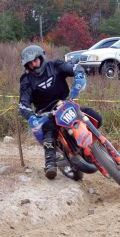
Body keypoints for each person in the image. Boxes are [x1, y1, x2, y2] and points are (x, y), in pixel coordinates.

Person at [19, 45, 102, 179]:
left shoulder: (55, 65)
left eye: (35, 60)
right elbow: (23, 103)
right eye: (29, 63)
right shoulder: (26, 80)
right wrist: (31, 117)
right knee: (48, 129)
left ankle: (95, 146)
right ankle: (51, 162)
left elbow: (74, 68)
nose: (33, 65)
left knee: (95, 116)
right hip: (46, 113)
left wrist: (79, 75)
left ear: (41, 57)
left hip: (65, 104)